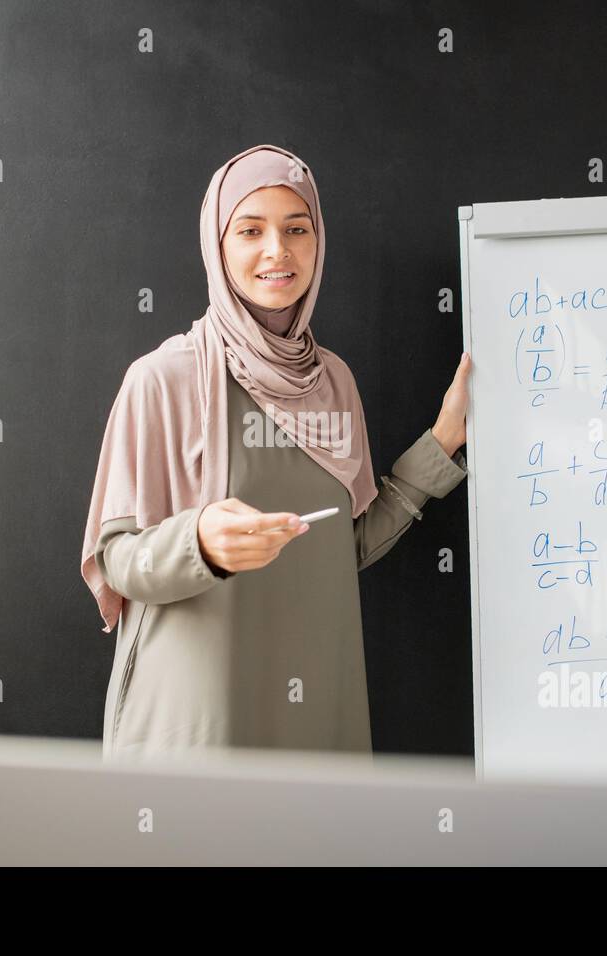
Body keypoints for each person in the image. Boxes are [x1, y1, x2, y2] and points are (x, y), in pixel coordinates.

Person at [80, 143, 472, 758]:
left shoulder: (333, 381)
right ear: (218, 245)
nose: (277, 251)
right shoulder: (164, 378)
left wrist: (444, 442)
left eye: (297, 229)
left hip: (314, 709)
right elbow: (117, 561)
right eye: (250, 230)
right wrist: (199, 542)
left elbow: (345, 546)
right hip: (197, 718)